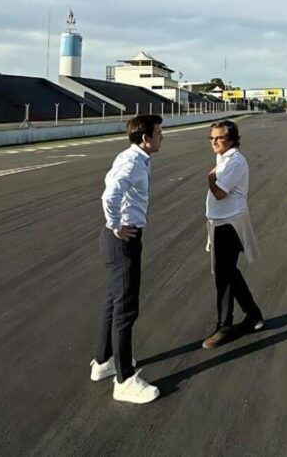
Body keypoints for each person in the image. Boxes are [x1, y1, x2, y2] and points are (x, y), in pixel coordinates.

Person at [90, 114, 162, 404]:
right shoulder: (133, 162)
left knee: (114, 301)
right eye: (158, 133)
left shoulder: (134, 158)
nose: (162, 137)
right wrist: (116, 224)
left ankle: (104, 361)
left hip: (119, 238)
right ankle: (124, 380)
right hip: (123, 239)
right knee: (126, 310)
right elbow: (109, 195)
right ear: (145, 139)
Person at [203, 120, 264, 349]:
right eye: (212, 138)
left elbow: (219, 193)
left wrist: (210, 178)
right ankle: (253, 315)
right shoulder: (224, 158)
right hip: (221, 222)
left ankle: (225, 326)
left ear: (232, 139)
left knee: (224, 276)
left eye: (220, 138)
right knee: (229, 273)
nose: (215, 142)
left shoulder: (234, 161)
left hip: (230, 224)